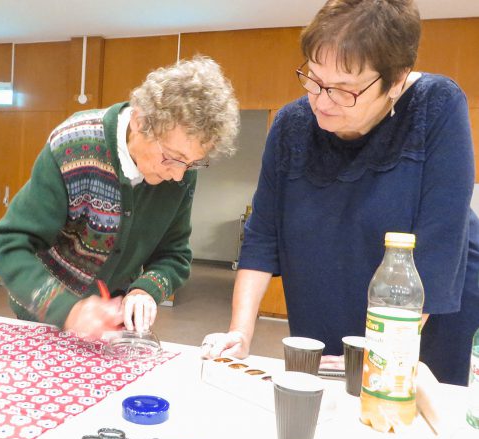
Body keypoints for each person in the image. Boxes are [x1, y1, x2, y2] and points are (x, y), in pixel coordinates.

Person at [201, 0, 479, 386]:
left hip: (421, 312)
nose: (322, 100)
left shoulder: (437, 106)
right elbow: (263, 236)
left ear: (396, 80)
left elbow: (440, 240)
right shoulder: (291, 124)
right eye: (313, 79)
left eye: (345, 89)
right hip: (328, 286)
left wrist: (382, 354)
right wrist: (240, 331)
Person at [0, 56, 239, 339]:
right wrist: (69, 311)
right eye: (173, 158)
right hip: (44, 316)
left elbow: (174, 254)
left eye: (192, 163)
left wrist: (147, 289)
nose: (179, 175)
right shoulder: (75, 145)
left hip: (112, 324)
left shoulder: (180, 174)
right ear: (139, 120)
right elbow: (9, 245)